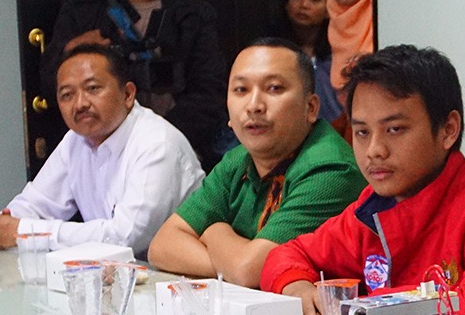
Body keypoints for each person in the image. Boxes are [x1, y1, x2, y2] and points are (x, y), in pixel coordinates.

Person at [260, 44, 465, 315]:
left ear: (448, 130)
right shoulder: (373, 209)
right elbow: (287, 255)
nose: (374, 150)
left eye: (394, 129)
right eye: (362, 132)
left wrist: (352, 312)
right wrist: (297, 287)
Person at [148, 39, 363, 286]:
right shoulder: (238, 159)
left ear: (311, 107)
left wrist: (214, 229)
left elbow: (250, 271)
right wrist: (234, 263)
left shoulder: (330, 170)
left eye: (273, 88)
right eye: (241, 90)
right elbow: (162, 246)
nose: (254, 106)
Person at [0, 44, 202, 257]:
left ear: (128, 94)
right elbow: (38, 203)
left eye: (92, 88)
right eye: (67, 95)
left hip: (181, 284)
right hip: (118, 279)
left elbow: (127, 237)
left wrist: (23, 231)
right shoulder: (76, 141)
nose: (80, 104)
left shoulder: (157, 143)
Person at [47, 0, 226, 164]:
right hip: (101, 152)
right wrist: (71, 51)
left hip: (179, 148)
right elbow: (52, 86)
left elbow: (210, 92)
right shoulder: (81, 14)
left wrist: (157, 140)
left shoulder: (194, 16)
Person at [271, 0, 342, 123]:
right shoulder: (272, 52)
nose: (304, 4)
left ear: (329, 9)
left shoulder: (340, 52)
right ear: (286, 3)